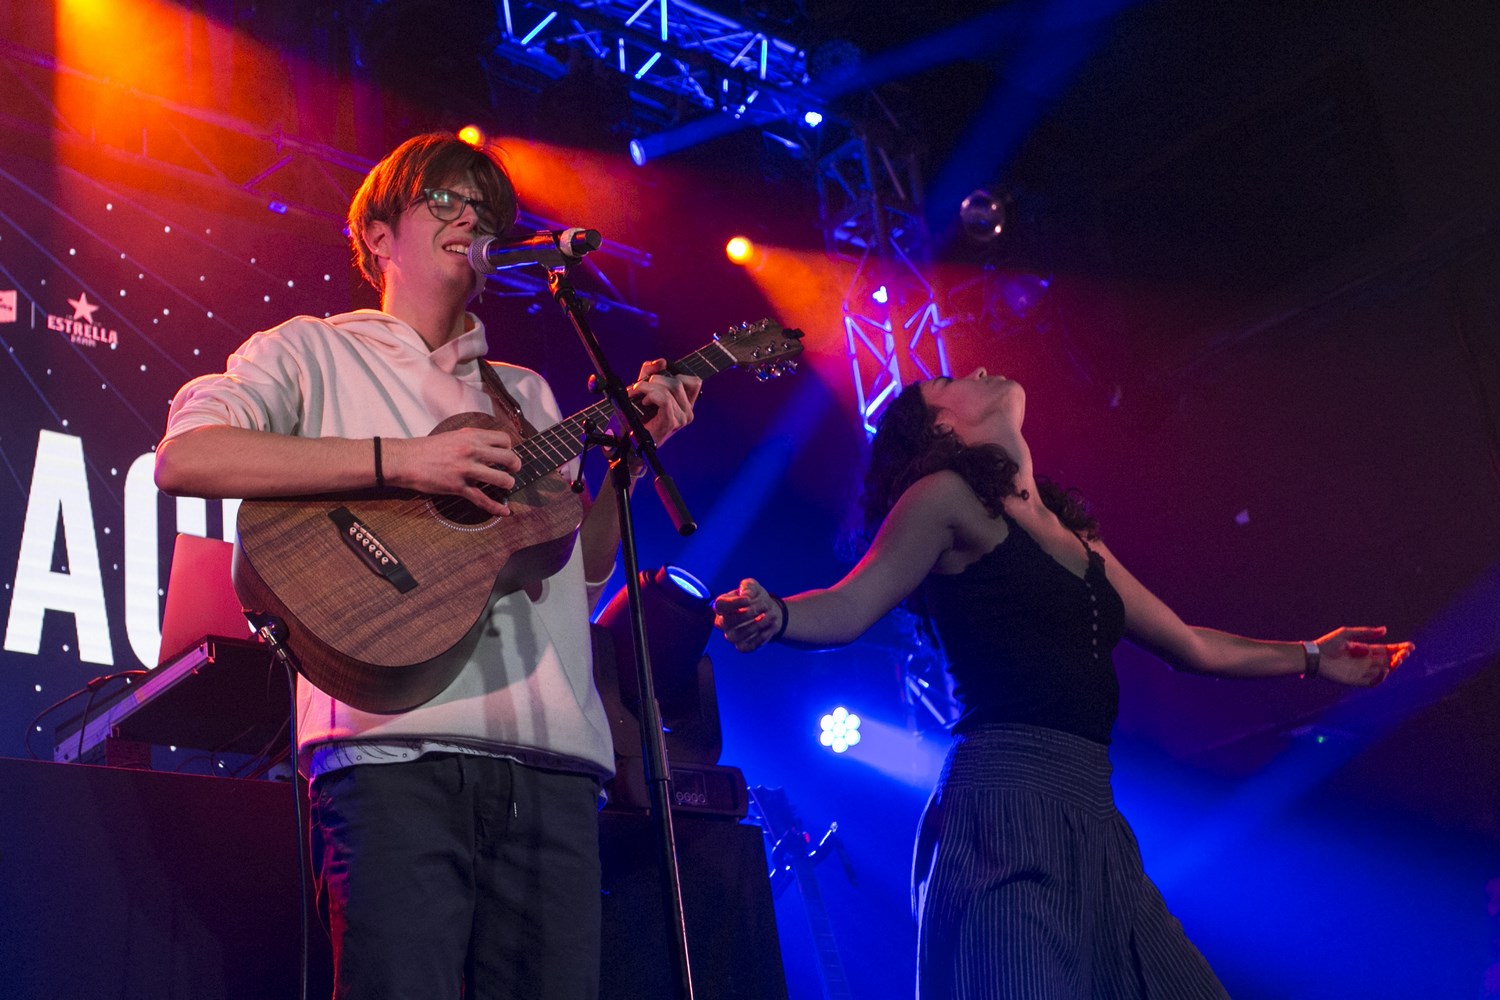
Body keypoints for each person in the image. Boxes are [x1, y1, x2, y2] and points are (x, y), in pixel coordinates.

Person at [155, 131, 701, 999]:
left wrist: (624, 472)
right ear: (378, 235)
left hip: (553, 772)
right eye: (444, 199)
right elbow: (188, 456)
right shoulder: (309, 350)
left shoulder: (525, 393)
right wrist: (405, 462)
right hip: (391, 761)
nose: (470, 217)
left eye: (484, 208)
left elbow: (573, 578)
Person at [714, 367, 1413, 999]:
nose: (978, 369)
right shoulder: (944, 497)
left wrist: (1313, 656)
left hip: (1095, 819)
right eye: (951, 381)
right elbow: (853, 601)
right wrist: (778, 614)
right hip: (1003, 808)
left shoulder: (1078, 539)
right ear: (943, 430)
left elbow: (1192, 645)